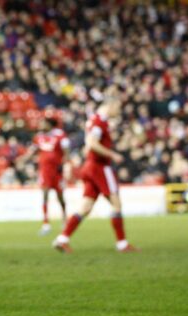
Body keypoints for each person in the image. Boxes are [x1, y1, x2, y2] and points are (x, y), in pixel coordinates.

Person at [53, 99, 138, 253]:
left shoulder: (92, 120)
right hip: (100, 167)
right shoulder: (100, 122)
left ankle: (62, 239)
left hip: (89, 166)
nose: (118, 112)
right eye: (117, 107)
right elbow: (92, 143)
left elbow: (87, 145)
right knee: (116, 204)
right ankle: (122, 244)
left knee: (85, 207)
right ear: (110, 105)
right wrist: (112, 154)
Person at [29, 112, 69, 235]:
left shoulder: (60, 135)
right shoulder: (39, 137)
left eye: (43, 122)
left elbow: (66, 152)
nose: (41, 124)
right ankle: (46, 223)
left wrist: (64, 165)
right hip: (45, 171)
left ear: (49, 124)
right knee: (45, 195)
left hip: (57, 171)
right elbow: (33, 151)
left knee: (60, 197)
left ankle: (64, 219)